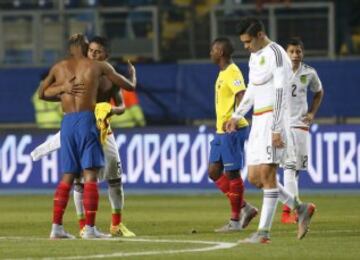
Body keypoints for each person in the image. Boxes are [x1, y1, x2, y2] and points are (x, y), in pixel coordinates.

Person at [32, 36, 136, 237]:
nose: (94, 53)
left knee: (70, 175)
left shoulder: (61, 67)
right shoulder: (98, 68)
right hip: (88, 122)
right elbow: (130, 86)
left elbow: (42, 93)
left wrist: (63, 89)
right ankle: (87, 228)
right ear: (86, 49)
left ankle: (57, 228)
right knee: (88, 177)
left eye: (98, 51)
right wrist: (133, 75)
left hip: (70, 122)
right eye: (91, 50)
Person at [226, 17, 315, 243]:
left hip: (275, 120)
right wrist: (237, 115)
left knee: (268, 175)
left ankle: (263, 233)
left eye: (248, 42)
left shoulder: (277, 54)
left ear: (259, 35)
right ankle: (300, 207)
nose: (245, 46)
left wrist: (276, 128)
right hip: (258, 120)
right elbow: (253, 89)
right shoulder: (255, 57)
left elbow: (280, 93)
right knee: (255, 177)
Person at [208, 37, 258, 233]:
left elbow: (242, 95)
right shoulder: (222, 73)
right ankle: (245, 207)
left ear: (220, 52)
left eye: (213, 50)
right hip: (221, 130)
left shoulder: (232, 71)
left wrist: (236, 119)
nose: (210, 53)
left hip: (233, 129)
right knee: (213, 172)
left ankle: (235, 221)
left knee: (232, 173)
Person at [281, 37, 324, 224]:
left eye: (298, 51)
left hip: (300, 126)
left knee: (295, 170)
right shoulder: (279, 71)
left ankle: (289, 211)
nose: (295, 55)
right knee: (289, 168)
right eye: (291, 51)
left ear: (302, 53)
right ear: (286, 53)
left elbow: (319, 92)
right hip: (282, 126)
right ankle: (294, 212)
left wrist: (312, 113)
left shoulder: (309, 73)